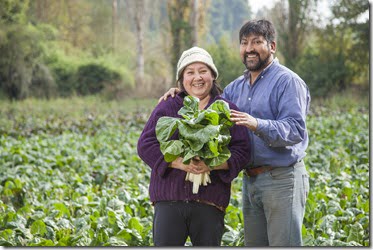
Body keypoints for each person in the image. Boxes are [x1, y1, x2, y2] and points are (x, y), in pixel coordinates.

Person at [159, 19, 311, 247]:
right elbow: (208, 99)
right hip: (251, 180)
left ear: (272, 46)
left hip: (282, 178)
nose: (249, 48)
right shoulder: (235, 88)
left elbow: (296, 129)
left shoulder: (287, 82)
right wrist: (180, 91)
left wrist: (257, 124)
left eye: (257, 42)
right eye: (244, 42)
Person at [137, 46, 251, 246]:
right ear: (182, 80)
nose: (197, 77)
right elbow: (146, 145)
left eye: (203, 71)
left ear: (213, 76)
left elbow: (243, 151)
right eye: (190, 72)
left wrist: (211, 165)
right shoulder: (169, 105)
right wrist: (179, 163)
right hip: (169, 201)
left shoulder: (225, 108)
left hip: (210, 202)